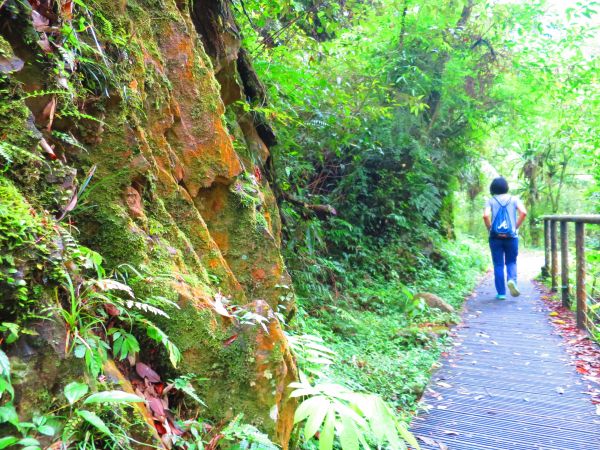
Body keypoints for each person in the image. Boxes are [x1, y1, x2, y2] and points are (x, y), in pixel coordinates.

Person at [483, 177, 527, 299]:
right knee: (511, 261)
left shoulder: (490, 201)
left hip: (495, 237)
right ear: (506, 187)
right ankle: (512, 280)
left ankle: (501, 293)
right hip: (511, 236)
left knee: (498, 264)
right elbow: (523, 213)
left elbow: (486, 216)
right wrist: (515, 226)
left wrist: (490, 229)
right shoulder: (514, 199)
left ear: (493, 188)